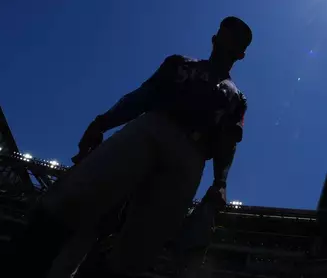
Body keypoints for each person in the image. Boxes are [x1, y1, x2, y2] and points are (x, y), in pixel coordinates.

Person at [7, 16, 251, 278]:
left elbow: (228, 141)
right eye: (226, 34)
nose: (227, 42)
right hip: (155, 125)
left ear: (241, 54)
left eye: (235, 40)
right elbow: (143, 96)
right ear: (214, 38)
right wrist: (103, 122)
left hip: (193, 155)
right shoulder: (181, 64)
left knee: (140, 248)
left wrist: (220, 181)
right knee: (76, 195)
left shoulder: (236, 97)